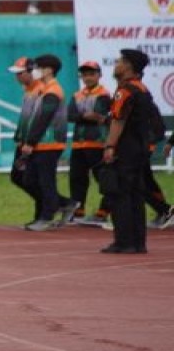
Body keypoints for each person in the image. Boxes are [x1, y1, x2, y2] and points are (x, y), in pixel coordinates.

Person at [100, 50, 160, 254]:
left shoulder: (124, 90)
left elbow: (118, 121)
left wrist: (109, 146)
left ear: (128, 66)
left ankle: (124, 241)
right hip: (140, 149)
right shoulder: (142, 89)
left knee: (120, 194)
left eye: (119, 61)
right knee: (136, 195)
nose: (116, 64)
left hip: (125, 150)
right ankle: (138, 242)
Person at [19, 54, 76, 231]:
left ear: (49, 70)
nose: (33, 71)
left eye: (36, 67)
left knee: (46, 181)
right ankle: (64, 204)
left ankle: (47, 217)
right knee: (29, 179)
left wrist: (31, 141)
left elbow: (44, 118)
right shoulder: (43, 89)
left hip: (49, 144)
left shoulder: (53, 91)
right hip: (40, 144)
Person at [67, 61, 111, 227]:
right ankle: (78, 211)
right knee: (77, 179)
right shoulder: (77, 94)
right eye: (85, 74)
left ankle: (103, 212)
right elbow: (69, 115)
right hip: (79, 144)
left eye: (91, 74)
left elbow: (98, 114)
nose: (88, 77)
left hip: (97, 144)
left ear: (99, 75)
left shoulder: (104, 94)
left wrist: (83, 115)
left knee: (104, 180)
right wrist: (87, 116)